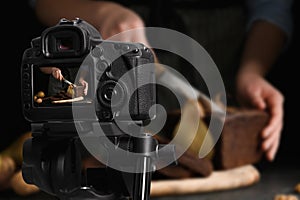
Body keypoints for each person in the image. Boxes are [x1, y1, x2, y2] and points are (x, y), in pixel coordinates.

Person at [29, 0, 294, 163]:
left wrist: (252, 71)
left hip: (223, 70)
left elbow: (272, 6)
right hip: (113, 70)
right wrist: (103, 14)